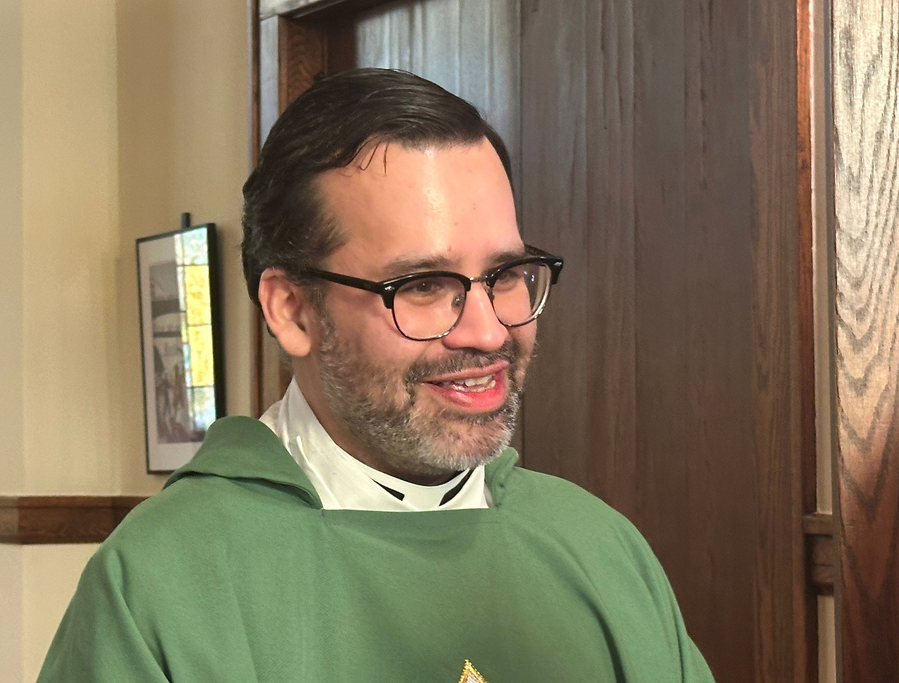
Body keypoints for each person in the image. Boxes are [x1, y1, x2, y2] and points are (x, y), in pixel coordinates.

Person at [39, 68, 714, 682]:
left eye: (506, 274)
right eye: (422, 285)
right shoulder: (160, 586)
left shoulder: (598, 546)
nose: (487, 333)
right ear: (292, 309)